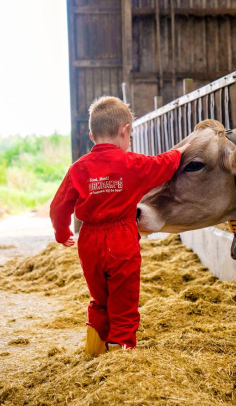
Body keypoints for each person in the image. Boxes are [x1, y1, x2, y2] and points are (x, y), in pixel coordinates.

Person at [49, 96, 189, 356]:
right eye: (130, 136)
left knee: (100, 301)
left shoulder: (78, 169)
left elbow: (58, 208)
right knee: (123, 303)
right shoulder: (132, 163)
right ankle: (120, 361)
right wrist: (181, 150)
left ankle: (94, 352)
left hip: (88, 241)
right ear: (125, 131)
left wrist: (63, 233)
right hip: (121, 239)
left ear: (91, 135)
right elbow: (164, 165)